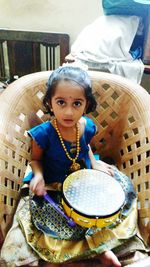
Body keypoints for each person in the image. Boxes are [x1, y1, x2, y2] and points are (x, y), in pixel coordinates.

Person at [1, 66, 137, 267]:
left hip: (83, 179)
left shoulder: (86, 126)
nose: (68, 111)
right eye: (61, 102)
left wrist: (94, 162)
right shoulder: (43, 134)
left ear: (86, 104)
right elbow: (35, 160)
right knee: (61, 218)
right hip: (54, 186)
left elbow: (86, 146)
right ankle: (95, 251)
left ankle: (100, 247)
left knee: (107, 204)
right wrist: (38, 176)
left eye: (77, 103)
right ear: (50, 102)